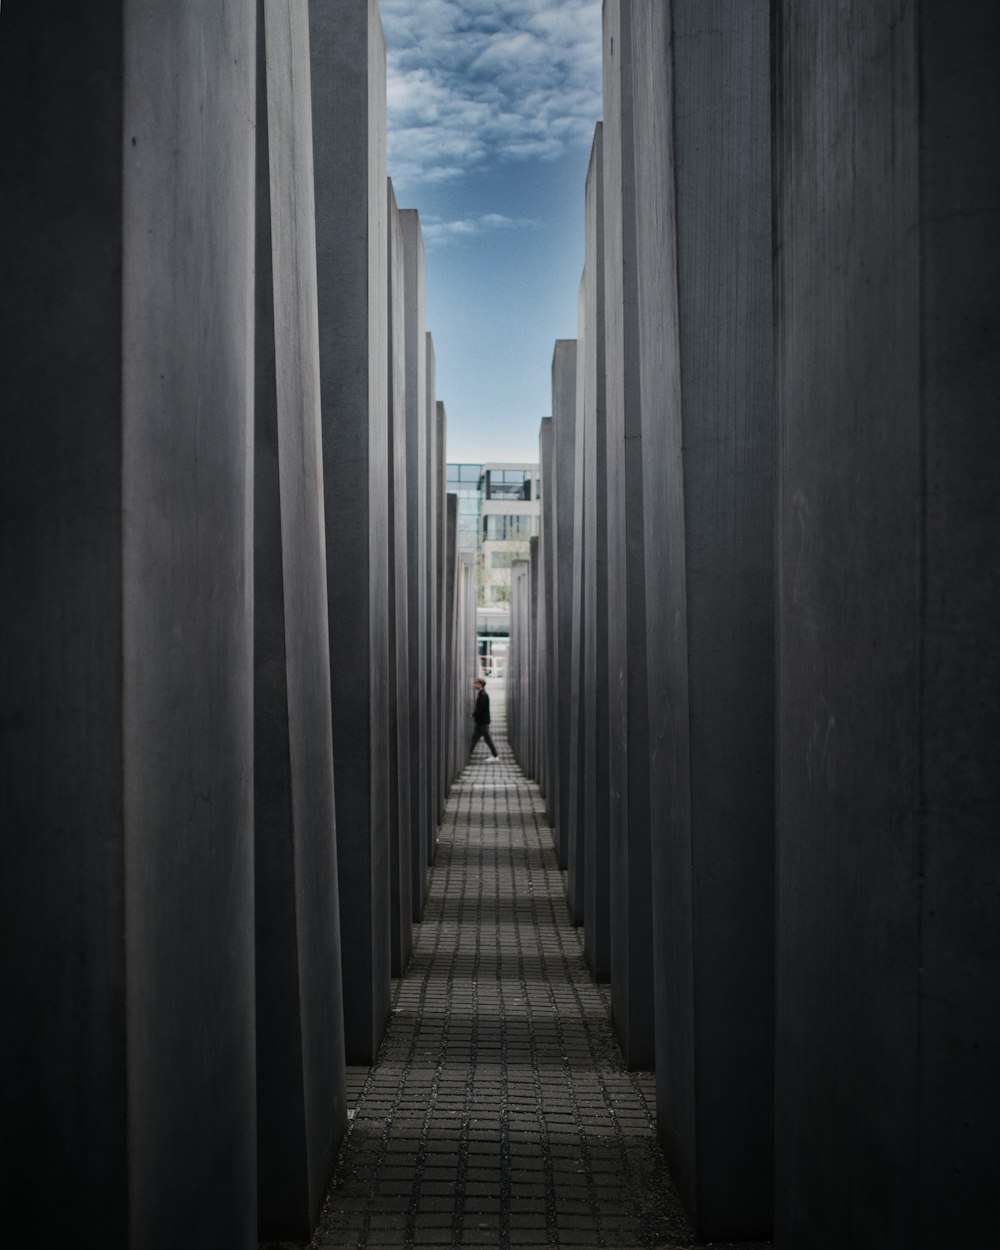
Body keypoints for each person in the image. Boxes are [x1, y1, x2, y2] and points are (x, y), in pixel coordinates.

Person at [470, 677, 499, 760]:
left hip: (483, 722)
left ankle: (495, 756)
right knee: (474, 739)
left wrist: (473, 715)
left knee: (488, 740)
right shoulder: (482, 694)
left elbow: (480, 709)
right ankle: (467, 754)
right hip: (480, 722)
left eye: (476, 683)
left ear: (480, 684)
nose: (474, 685)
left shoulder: (483, 695)